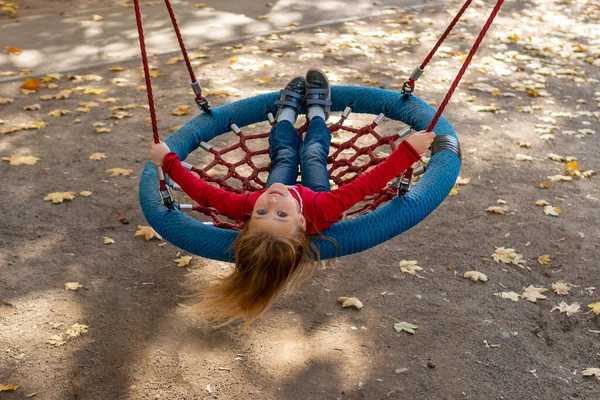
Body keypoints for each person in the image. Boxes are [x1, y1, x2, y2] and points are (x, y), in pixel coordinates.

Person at [149, 69, 435, 328]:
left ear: (248, 220)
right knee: (313, 152)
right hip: (314, 197)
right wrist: (409, 152)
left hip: (287, 190)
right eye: (281, 216)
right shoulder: (324, 209)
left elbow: (205, 194)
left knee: (284, 154)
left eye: (261, 215)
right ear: (300, 221)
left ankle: (286, 114)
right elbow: (368, 183)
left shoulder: (252, 205)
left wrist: (169, 162)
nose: (271, 205)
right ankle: (318, 114)